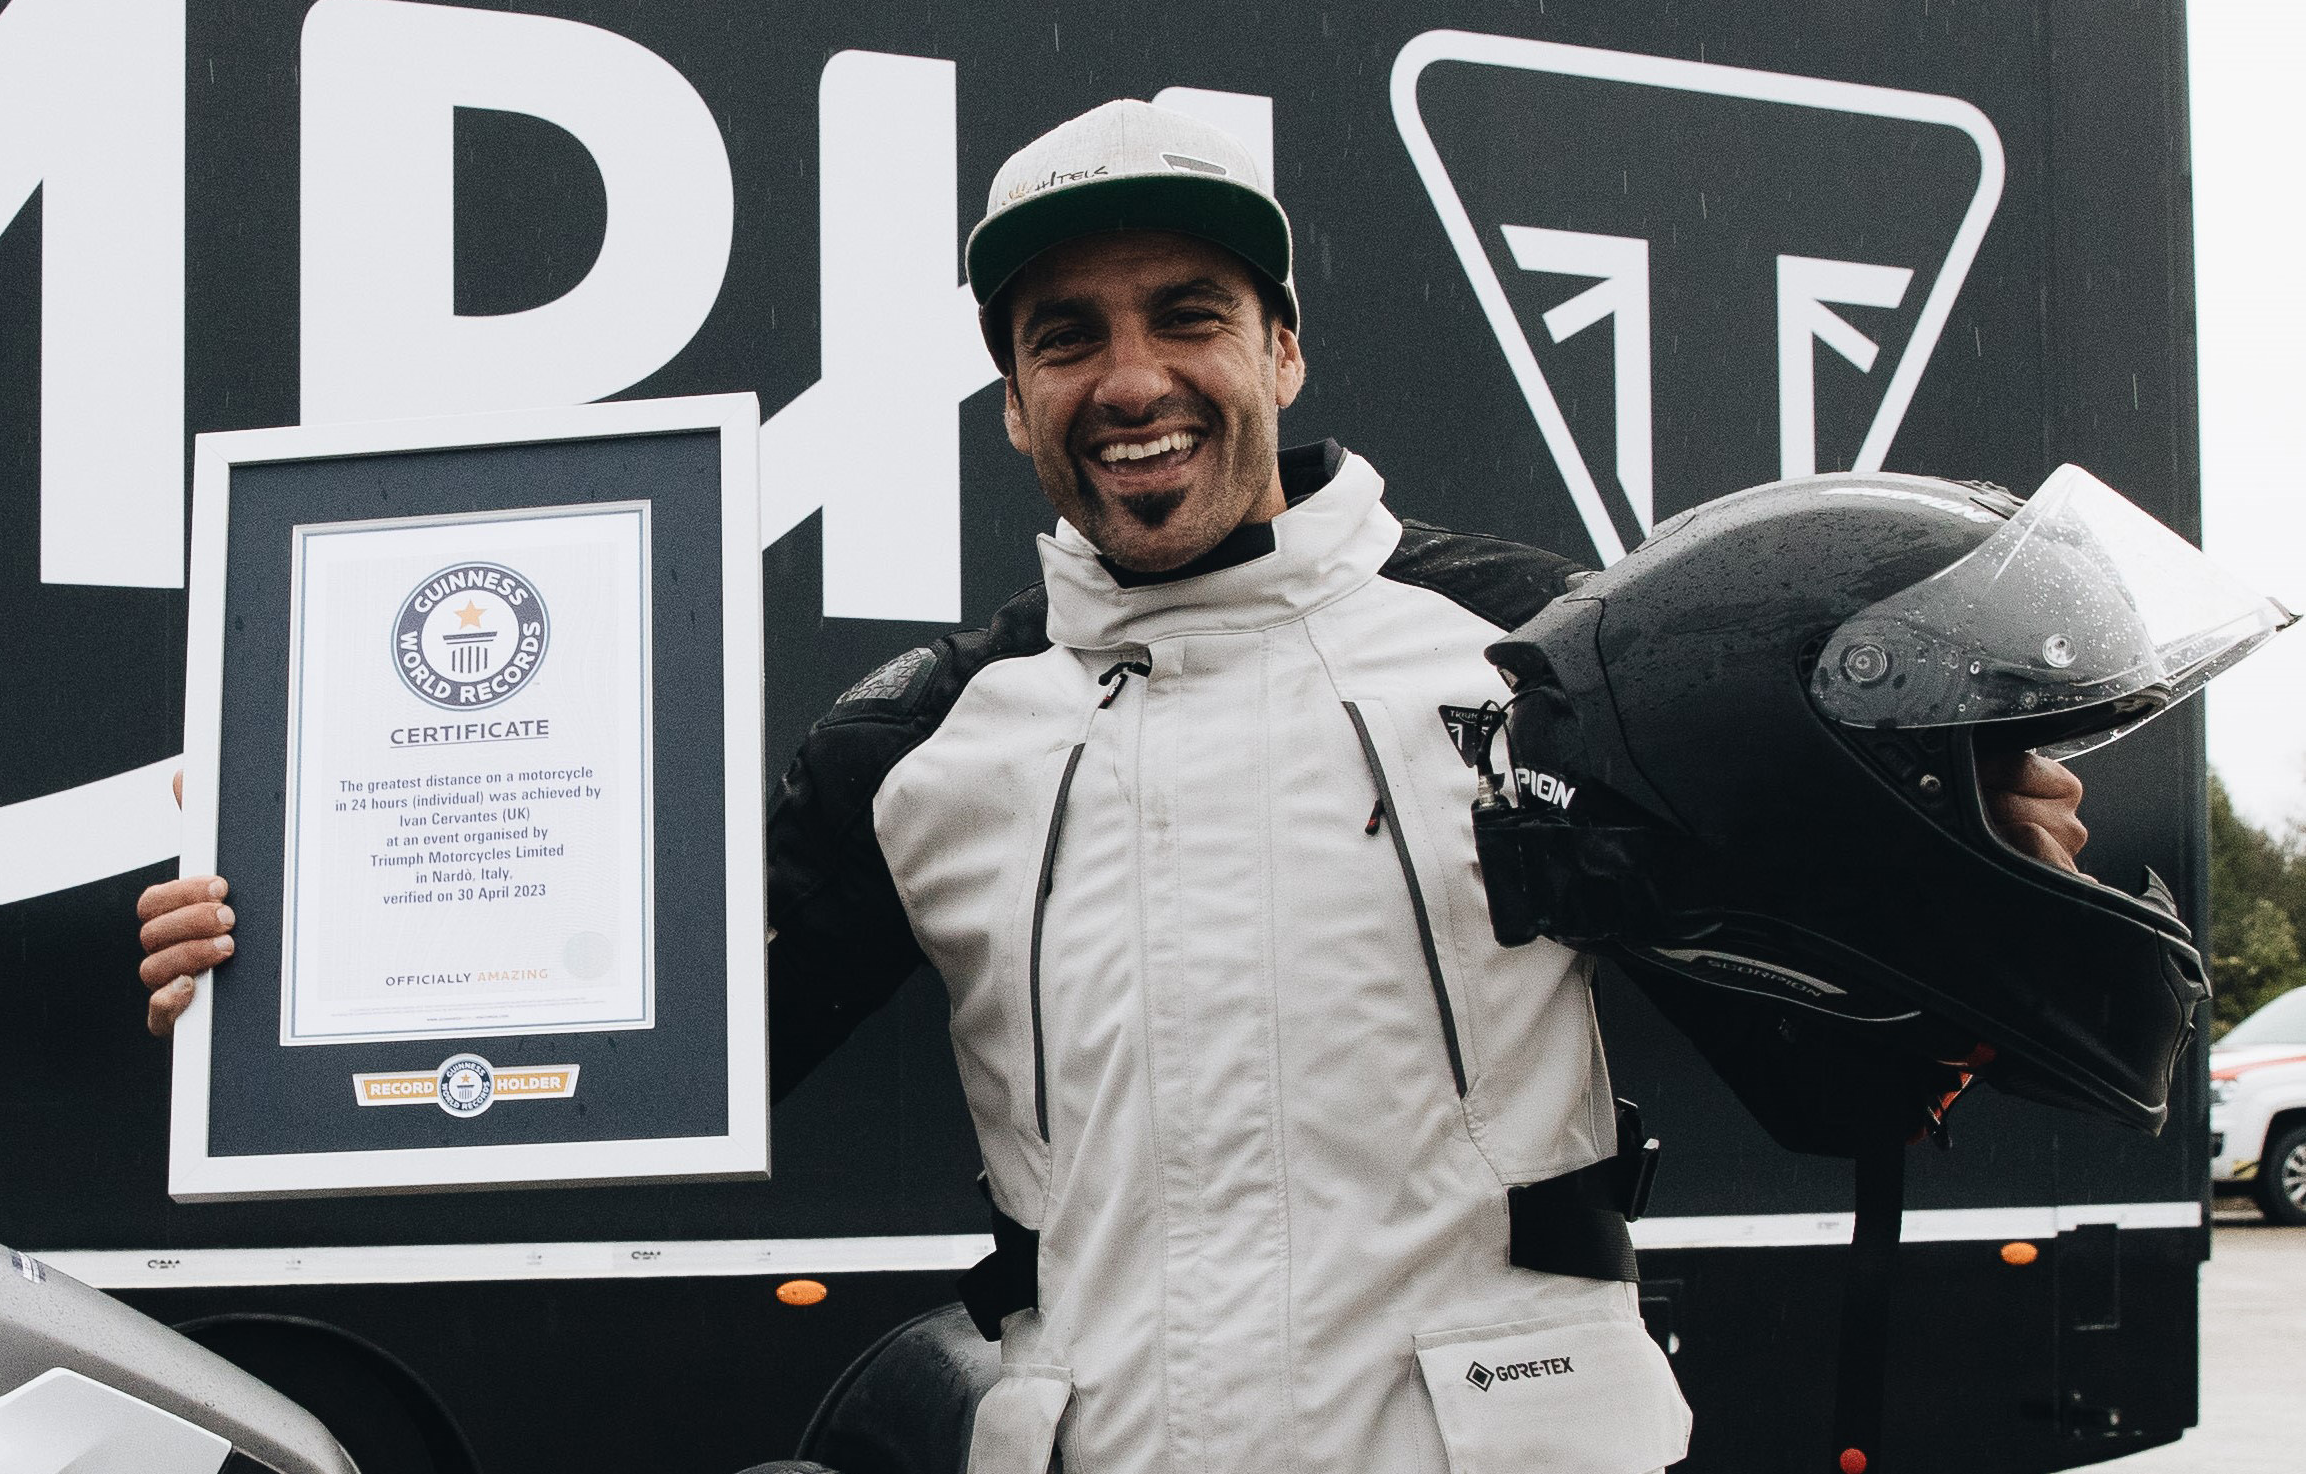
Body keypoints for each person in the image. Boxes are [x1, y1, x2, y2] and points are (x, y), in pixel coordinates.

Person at [138, 100, 2089, 1473]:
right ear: (1013, 398)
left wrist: (1971, 887)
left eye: (1187, 315)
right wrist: (289, 967)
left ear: (1283, 350)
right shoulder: (923, 742)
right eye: (1064, 336)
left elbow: (1843, 1074)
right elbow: (629, 1065)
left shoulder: (1544, 657)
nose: (1130, 377)